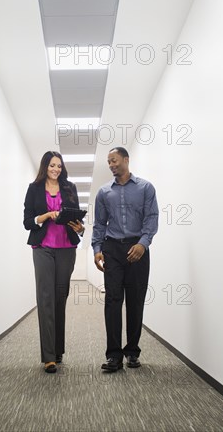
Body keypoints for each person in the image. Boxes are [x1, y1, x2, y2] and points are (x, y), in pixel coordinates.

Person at [92, 147, 158, 371]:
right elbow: (99, 224)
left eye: (114, 160)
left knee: (136, 300)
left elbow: (151, 218)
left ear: (126, 160)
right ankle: (114, 356)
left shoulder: (145, 188)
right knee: (112, 301)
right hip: (112, 249)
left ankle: (132, 351)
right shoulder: (103, 192)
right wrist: (97, 248)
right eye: (108, 162)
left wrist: (143, 243)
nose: (111, 165)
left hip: (137, 249)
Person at [23, 151, 84, 373]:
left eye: (59, 165)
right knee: (45, 297)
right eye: (52, 165)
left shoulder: (70, 188)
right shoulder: (34, 189)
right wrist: (47, 216)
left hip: (66, 248)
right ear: (45, 167)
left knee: (60, 297)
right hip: (43, 248)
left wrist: (80, 227)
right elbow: (28, 221)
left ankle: (58, 350)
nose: (56, 169)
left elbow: (76, 217)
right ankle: (48, 356)